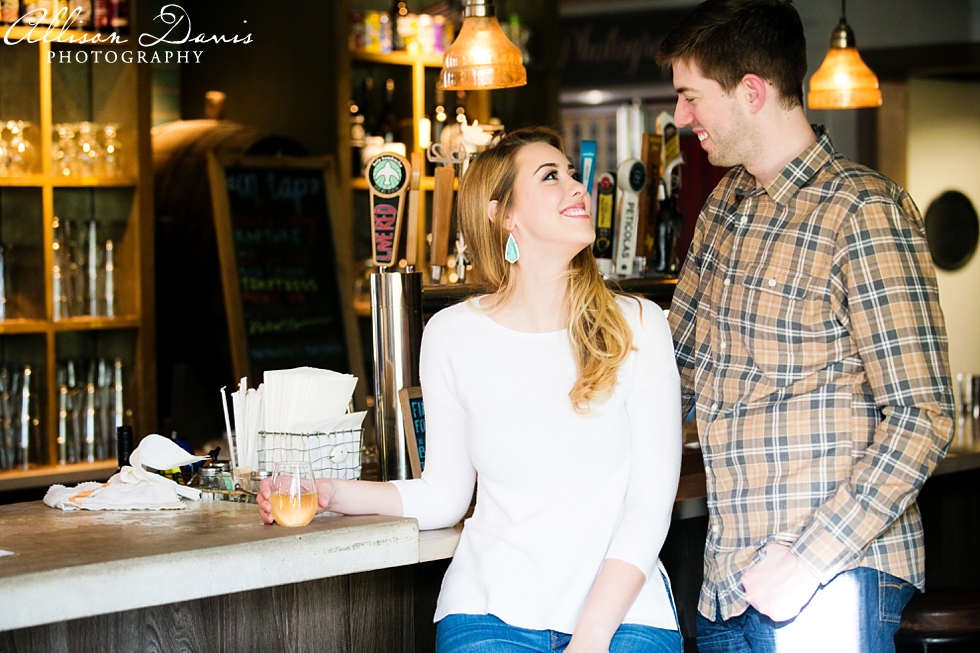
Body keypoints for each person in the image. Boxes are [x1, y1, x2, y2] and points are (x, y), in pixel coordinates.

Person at [258, 127, 684, 653]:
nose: (577, 186)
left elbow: (650, 504)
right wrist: (330, 493)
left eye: (573, 173)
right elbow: (444, 495)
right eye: (551, 176)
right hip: (490, 610)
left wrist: (592, 635)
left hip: (623, 618)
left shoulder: (639, 324)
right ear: (504, 215)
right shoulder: (452, 335)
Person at [656, 1, 955, 651]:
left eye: (690, 96)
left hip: (830, 583)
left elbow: (923, 414)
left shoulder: (863, 210)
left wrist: (808, 562)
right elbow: (668, 372)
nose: (680, 116)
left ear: (753, 92)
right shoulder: (722, 209)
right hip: (727, 586)